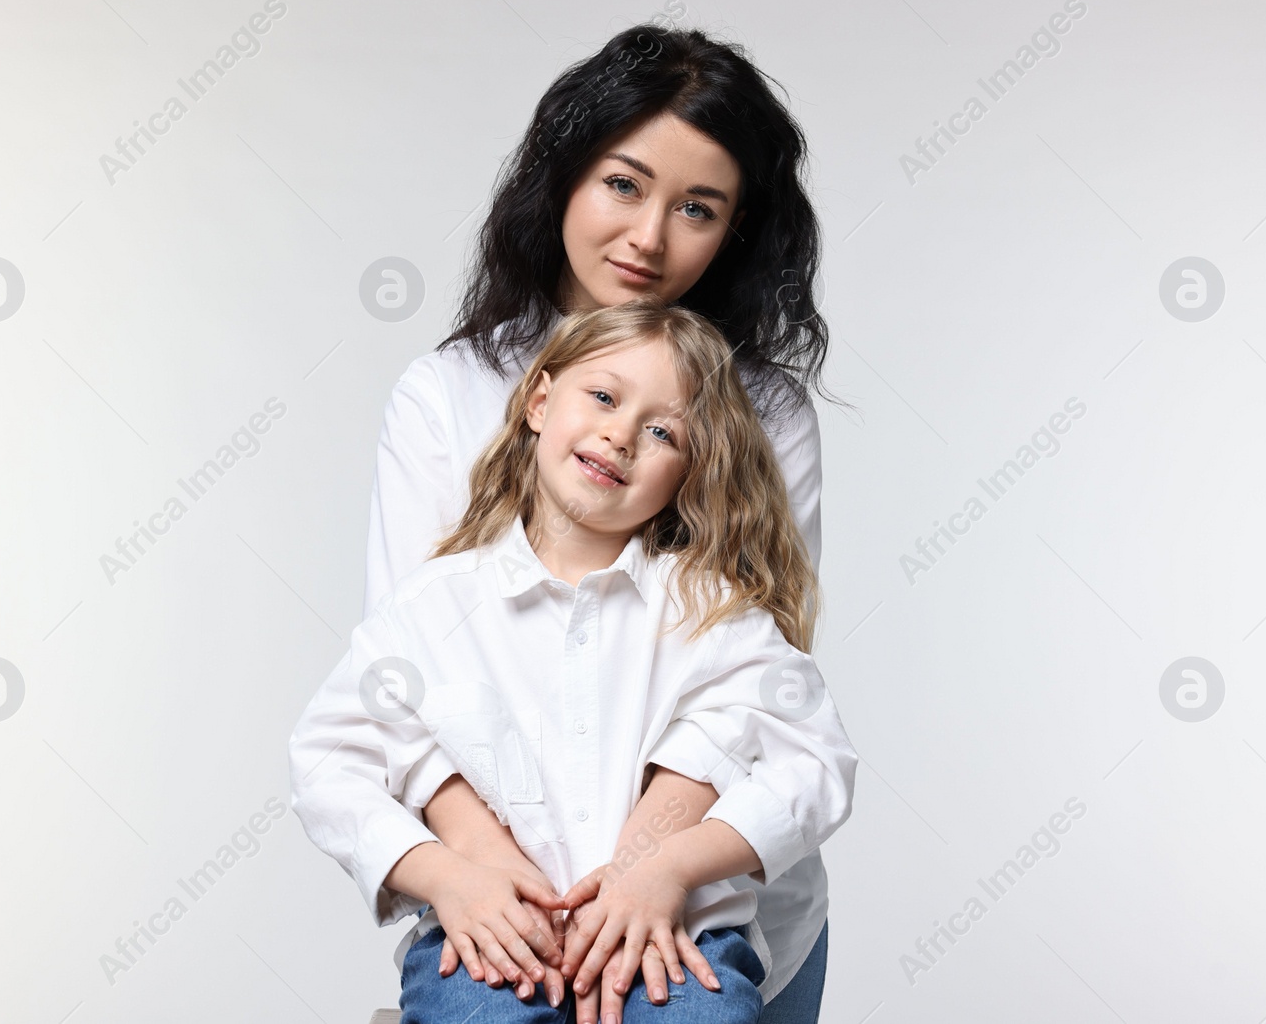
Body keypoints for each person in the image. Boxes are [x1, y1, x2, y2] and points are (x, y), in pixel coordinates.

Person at [363, 22, 843, 1022]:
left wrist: (635, 882)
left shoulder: (766, 413)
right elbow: (407, 691)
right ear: (563, 179)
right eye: (623, 184)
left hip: (709, 920)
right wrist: (522, 891)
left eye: (697, 208)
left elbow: (755, 695)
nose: (648, 238)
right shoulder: (447, 395)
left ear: (736, 231)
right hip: (506, 924)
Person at [290, 300, 856, 1023]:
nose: (621, 434)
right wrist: (445, 876)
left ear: (690, 471)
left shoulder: (715, 612)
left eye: (661, 431)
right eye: (603, 396)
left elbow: (818, 759)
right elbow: (326, 759)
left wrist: (671, 869)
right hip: (488, 942)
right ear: (539, 401)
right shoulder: (432, 607)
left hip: (677, 939)